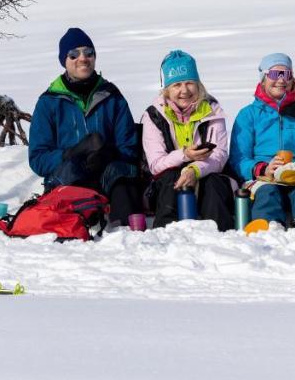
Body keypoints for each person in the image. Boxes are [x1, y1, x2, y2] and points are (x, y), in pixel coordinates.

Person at [28, 27, 141, 227]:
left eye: (89, 53)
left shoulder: (112, 96)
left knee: (121, 175)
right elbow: (38, 159)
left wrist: (107, 154)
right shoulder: (49, 102)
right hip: (69, 179)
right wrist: (70, 154)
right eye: (74, 54)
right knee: (71, 172)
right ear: (64, 60)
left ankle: (126, 236)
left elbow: (129, 147)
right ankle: (76, 229)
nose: (83, 58)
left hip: (108, 177)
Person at [228, 52, 295, 228]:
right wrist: (262, 169)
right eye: (275, 74)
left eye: (286, 74)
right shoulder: (248, 115)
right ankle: (268, 230)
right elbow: (238, 157)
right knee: (267, 192)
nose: (281, 80)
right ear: (263, 78)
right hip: (263, 178)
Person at [140, 50, 233, 231]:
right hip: (166, 183)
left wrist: (194, 169)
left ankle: (222, 236)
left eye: (190, 83)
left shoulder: (211, 110)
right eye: (177, 85)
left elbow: (220, 156)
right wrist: (184, 155)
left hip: (207, 173)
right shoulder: (154, 115)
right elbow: (156, 164)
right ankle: (165, 235)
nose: (184, 90)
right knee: (170, 178)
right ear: (166, 89)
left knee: (213, 181)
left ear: (198, 85)